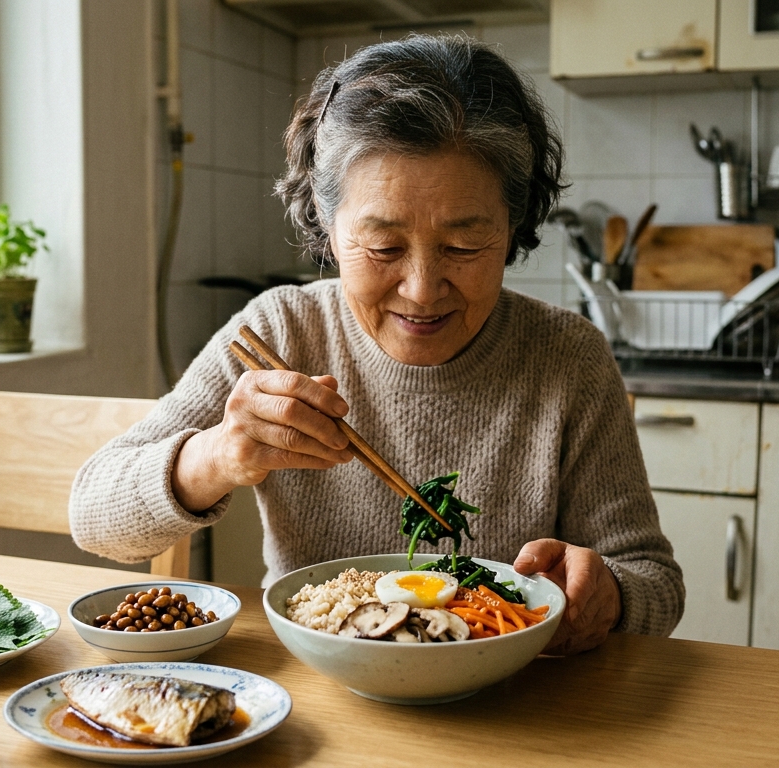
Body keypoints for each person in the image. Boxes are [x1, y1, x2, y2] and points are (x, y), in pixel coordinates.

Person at [70, 34, 683, 654]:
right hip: (314, 704)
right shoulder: (282, 331)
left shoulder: (566, 357)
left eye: (464, 247)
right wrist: (218, 457)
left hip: (509, 708)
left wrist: (608, 592)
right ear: (326, 227)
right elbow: (94, 517)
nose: (420, 290)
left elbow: (655, 582)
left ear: (514, 228)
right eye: (383, 247)